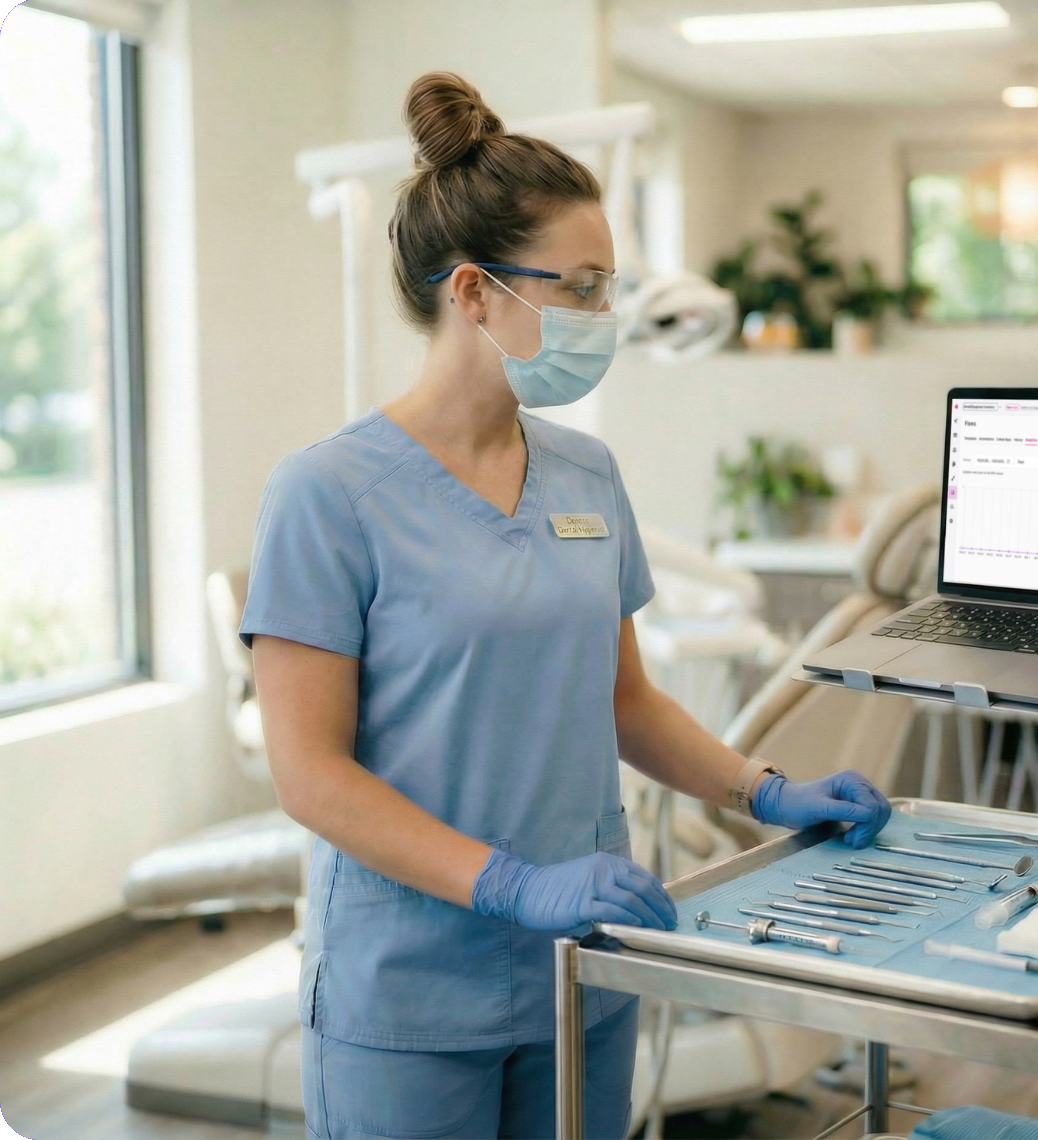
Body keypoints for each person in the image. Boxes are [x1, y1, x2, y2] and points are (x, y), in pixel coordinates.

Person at [241, 71, 892, 1140]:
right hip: (410, 991)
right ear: (473, 292)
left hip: (584, 970)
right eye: (581, 288)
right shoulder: (326, 494)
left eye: (608, 290)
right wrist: (507, 885)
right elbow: (310, 775)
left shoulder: (586, 474)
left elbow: (624, 701)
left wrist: (766, 790)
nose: (605, 318)